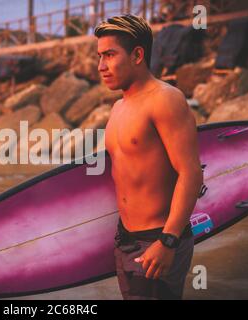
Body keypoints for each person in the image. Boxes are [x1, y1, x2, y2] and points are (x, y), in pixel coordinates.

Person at [95, 14, 203, 300]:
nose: (101, 66)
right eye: (99, 56)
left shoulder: (165, 99)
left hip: (159, 239)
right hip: (125, 239)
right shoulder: (118, 107)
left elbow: (190, 173)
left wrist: (168, 241)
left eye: (109, 55)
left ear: (137, 55)